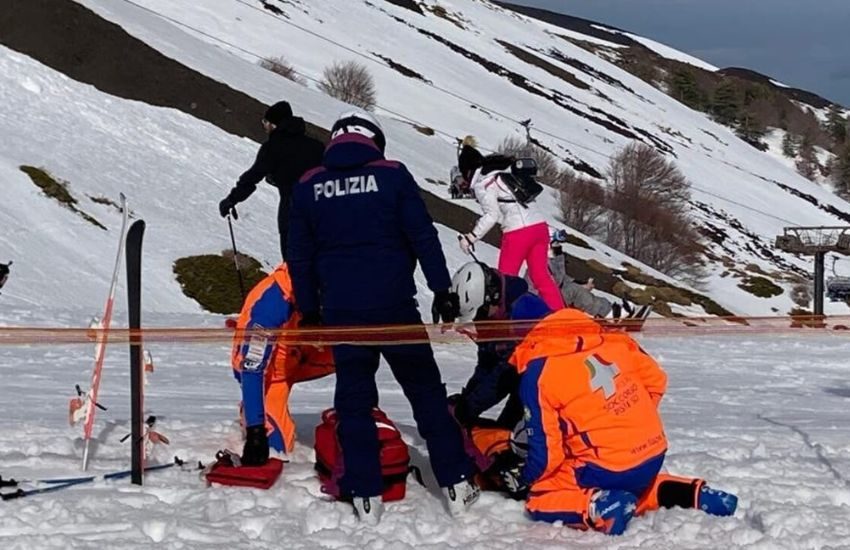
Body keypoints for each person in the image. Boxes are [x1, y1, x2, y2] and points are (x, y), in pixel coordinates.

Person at [287, 111, 478, 524]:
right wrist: (442, 290)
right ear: (374, 142)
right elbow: (423, 236)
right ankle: (456, 482)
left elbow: (299, 256)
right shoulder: (392, 175)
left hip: (342, 313)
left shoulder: (309, 185)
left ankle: (365, 493)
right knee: (425, 393)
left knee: (354, 401)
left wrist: (309, 310)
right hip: (395, 307)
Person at [509, 307, 738, 535]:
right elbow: (657, 381)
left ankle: (600, 508)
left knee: (541, 496)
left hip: (605, 466)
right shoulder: (614, 340)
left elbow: (547, 456)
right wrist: (626, 420)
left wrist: (525, 477)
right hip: (654, 451)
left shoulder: (538, 375)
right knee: (637, 487)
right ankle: (694, 495)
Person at [230, 263, 334, 464]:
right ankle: (251, 409)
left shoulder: (341, 279)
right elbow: (252, 369)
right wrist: (256, 430)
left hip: (304, 354)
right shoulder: (272, 303)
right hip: (270, 373)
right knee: (276, 450)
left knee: (355, 351)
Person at [456, 139, 564, 312]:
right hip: (539, 228)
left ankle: (505, 320)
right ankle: (561, 314)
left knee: (506, 280)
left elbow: (492, 215)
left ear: (467, 170)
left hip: (518, 233)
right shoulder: (503, 174)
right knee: (541, 277)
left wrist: (471, 238)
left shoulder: (483, 184)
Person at [449, 261, 550, 431]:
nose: (478, 320)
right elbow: (487, 364)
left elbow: (504, 376)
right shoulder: (493, 316)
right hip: (523, 379)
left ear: (493, 297)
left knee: (512, 432)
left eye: (480, 313)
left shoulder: (525, 313)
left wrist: (467, 409)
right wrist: (466, 400)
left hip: (547, 386)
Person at [218, 101, 324, 260]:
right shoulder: (316, 146)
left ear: (273, 124)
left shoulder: (272, 147)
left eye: (265, 122)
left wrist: (231, 199)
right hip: (321, 211)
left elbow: (252, 177)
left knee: (293, 263)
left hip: (292, 210)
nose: (264, 126)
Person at [525, 235, 623, 319]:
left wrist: (581, 284)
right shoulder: (540, 263)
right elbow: (551, 285)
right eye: (555, 244)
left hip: (548, 297)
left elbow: (561, 277)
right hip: (540, 301)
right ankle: (609, 314)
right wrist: (576, 286)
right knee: (575, 291)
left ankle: (606, 310)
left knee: (577, 289)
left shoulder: (552, 260)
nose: (558, 247)